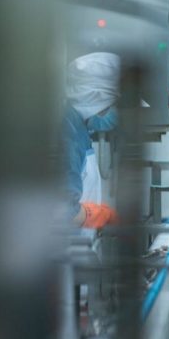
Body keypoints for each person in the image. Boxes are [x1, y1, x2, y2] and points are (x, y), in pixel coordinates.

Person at [64, 51, 121, 235]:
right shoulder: (67, 133)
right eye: (114, 106)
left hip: (76, 248)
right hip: (62, 254)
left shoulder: (80, 129)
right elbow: (65, 212)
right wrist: (100, 215)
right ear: (99, 101)